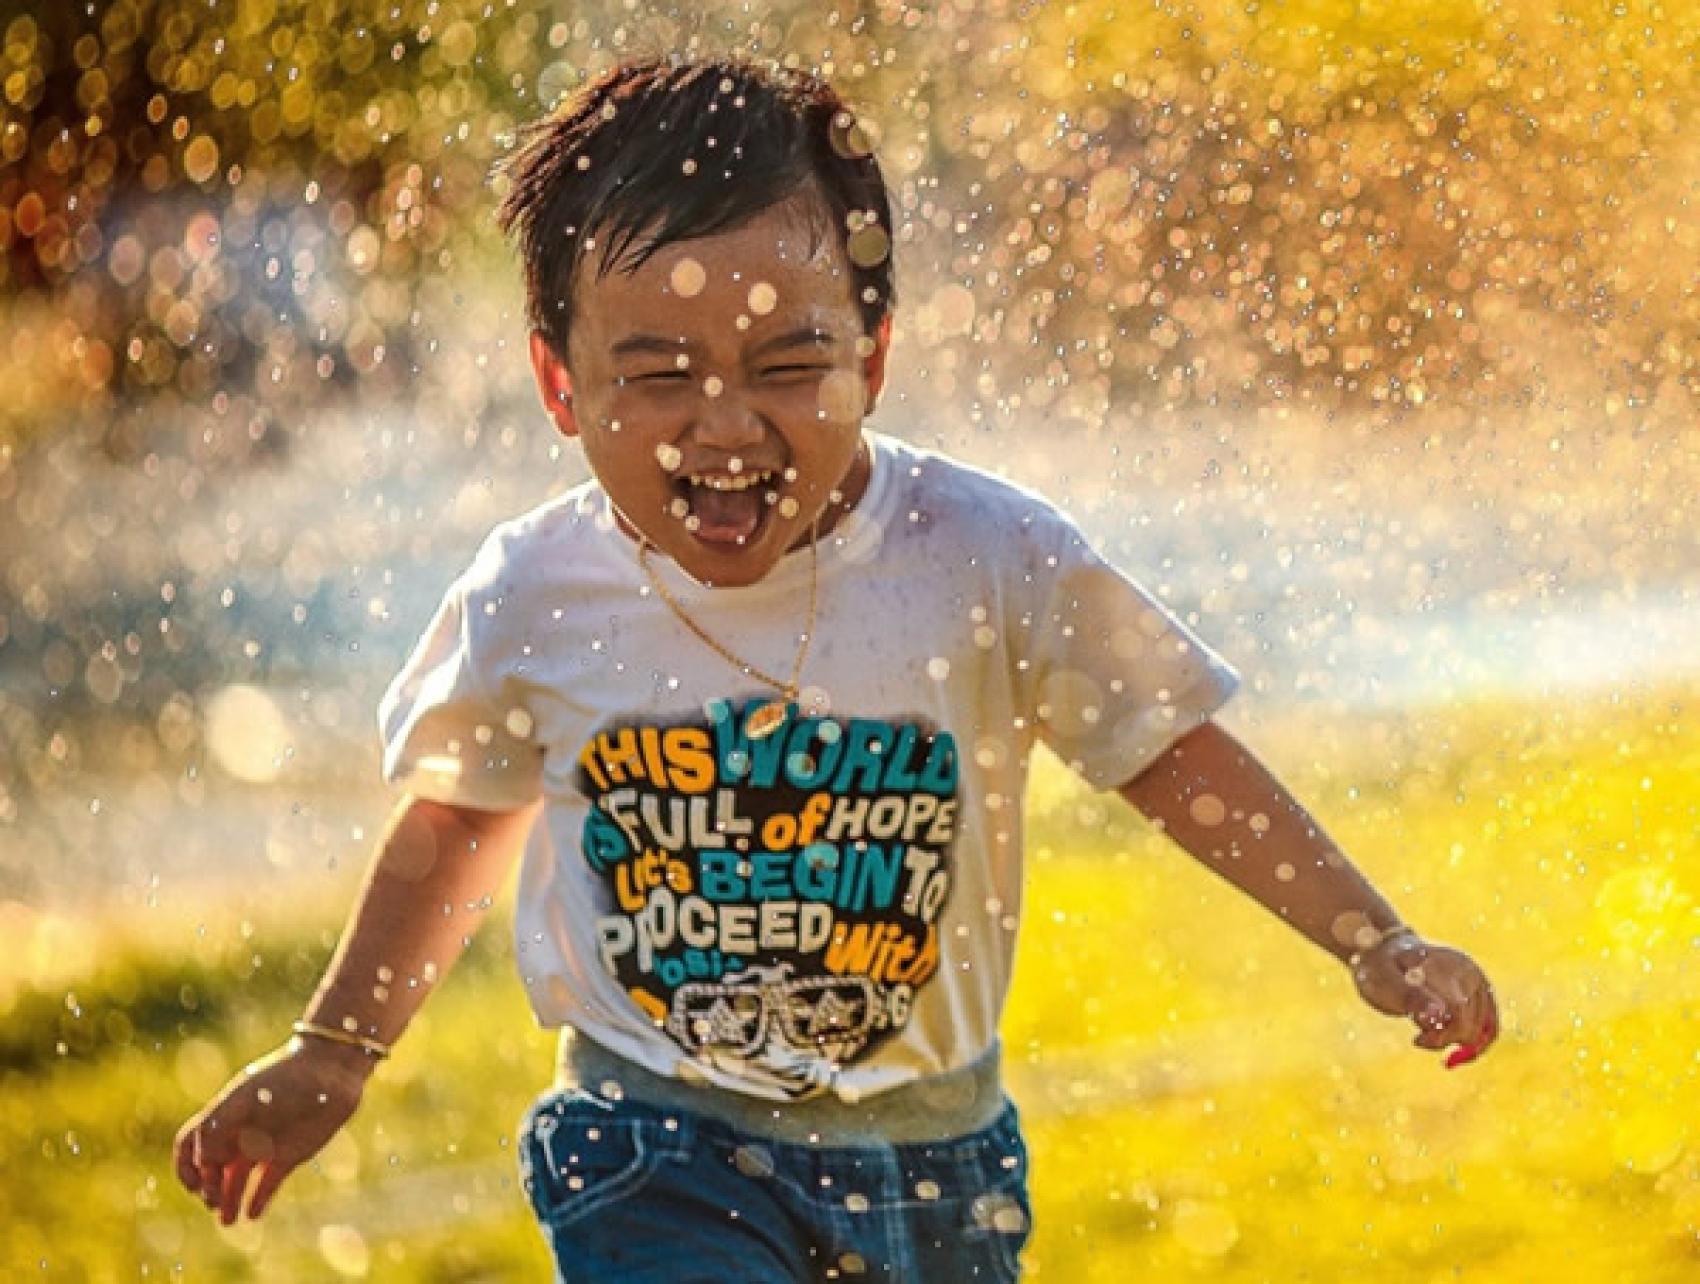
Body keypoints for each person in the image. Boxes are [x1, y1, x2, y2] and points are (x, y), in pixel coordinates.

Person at [173, 53, 1498, 1282]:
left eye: (789, 365)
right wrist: (334, 1049)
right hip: (655, 1145)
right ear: (560, 385)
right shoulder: (537, 592)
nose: (725, 425)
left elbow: (1167, 748)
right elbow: (458, 818)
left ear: (873, 355)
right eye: (658, 376)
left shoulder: (987, 556)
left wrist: (1370, 935)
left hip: (940, 1163)